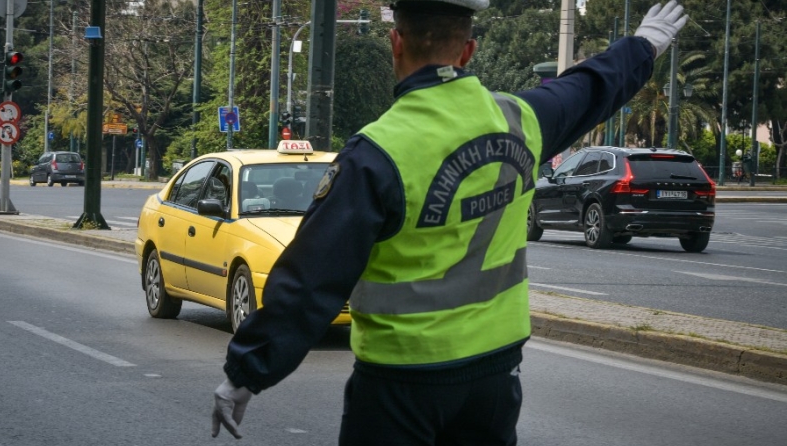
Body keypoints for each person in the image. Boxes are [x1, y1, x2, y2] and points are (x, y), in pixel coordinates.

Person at [211, 1, 688, 444]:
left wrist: (248, 372)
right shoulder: (521, 120)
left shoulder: (377, 153)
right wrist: (643, 44)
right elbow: (590, 86)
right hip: (495, 378)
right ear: (468, 50)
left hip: (402, 383)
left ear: (395, 43)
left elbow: (311, 280)